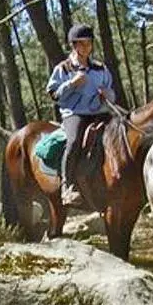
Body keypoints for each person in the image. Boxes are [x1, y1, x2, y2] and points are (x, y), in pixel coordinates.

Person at [45, 24, 116, 207]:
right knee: (74, 140)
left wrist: (107, 95)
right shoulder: (64, 68)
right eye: (82, 44)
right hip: (74, 114)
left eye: (89, 43)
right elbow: (53, 94)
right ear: (73, 45)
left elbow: (111, 91)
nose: (86, 47)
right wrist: (71, 84)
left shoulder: (100, 68)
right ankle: (67, 187)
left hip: (99, 112)